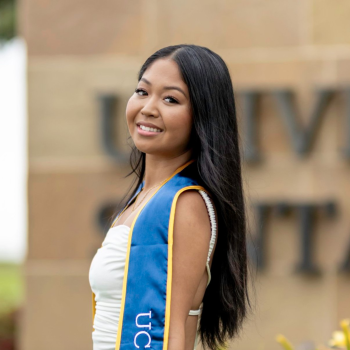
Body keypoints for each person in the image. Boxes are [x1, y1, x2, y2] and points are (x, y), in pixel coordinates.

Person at [89, 44, 252, 350]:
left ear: (203, 116)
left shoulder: (184, 205)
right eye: (142, 91)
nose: (148, 108)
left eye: (170, 99)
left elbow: (167, 331)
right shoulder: (139, 201)